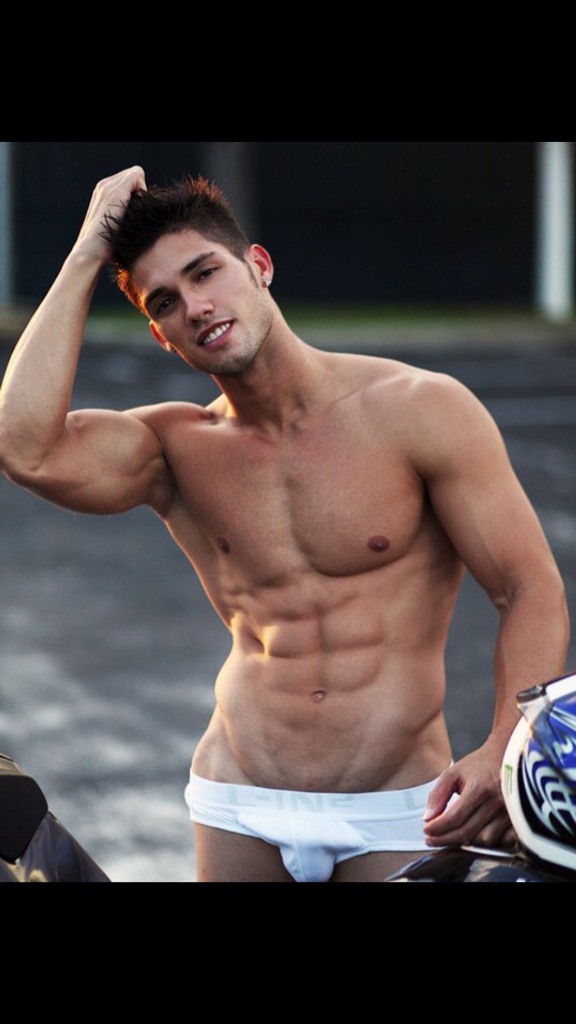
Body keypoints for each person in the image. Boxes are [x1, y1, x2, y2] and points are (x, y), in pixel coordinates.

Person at [0, 165, 569, 883]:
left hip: (398, 806)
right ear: (160, 335)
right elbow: (24, 447)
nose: (196, 307)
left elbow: (527, 586)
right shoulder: (173, 447)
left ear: (259, 266)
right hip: (238, 801)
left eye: (206, 272)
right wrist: (87, 250)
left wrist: (505, 747)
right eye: (166, 302)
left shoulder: (420, 409)